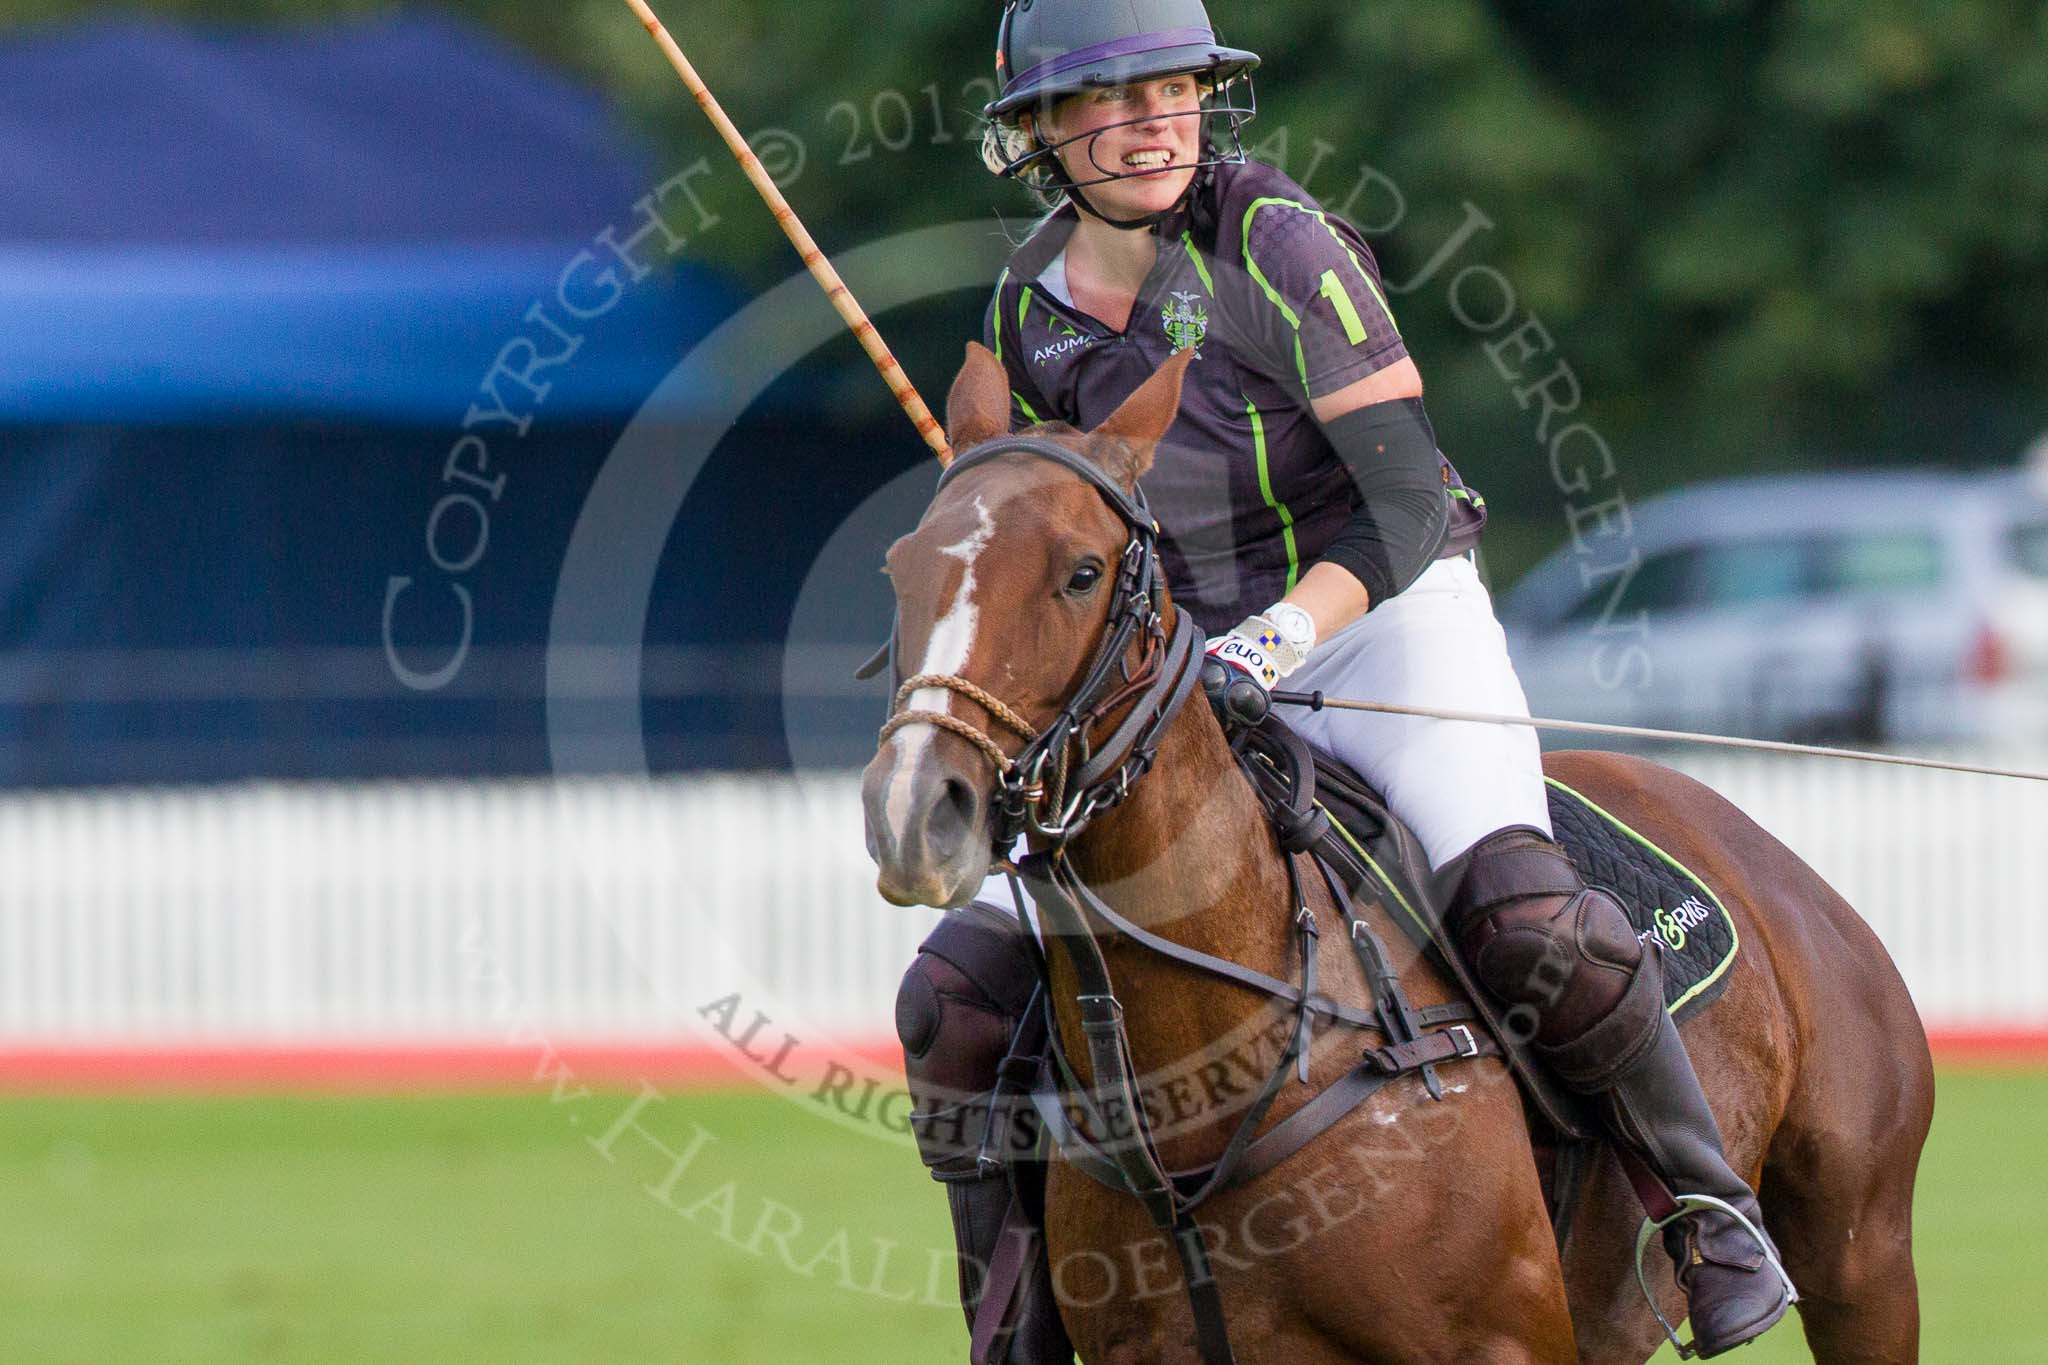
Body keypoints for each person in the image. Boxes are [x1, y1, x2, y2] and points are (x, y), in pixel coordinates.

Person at [893, 2, 1792, 1359]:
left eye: (1174, 88)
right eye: (1106, 99)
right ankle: (1011, 1319)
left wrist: (1286, 637)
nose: (1149, 120)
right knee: (960, 998)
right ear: (1037, 135)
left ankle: (1707, 1213)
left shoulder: (1279, 242)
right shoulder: (1029, 300)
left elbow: (1406, 495)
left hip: (1379, 617)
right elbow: (1066, 522)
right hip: (1181, 665)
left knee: (1524, 908)